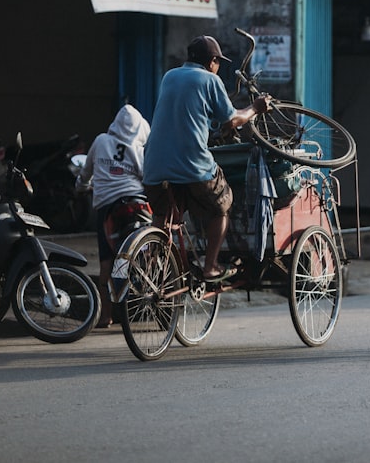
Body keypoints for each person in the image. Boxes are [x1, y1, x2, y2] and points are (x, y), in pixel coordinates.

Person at [142, 35, 271, 282]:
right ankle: (211, 266)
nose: (218, 67)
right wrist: (255, 108)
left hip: (153, 165)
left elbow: (187, 113)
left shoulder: (170, 76)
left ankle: (148, 264)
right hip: (191, 164)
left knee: (164, 213)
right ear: (212, 61)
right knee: (222, 204)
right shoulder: (210, 80)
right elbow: (232, 120)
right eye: (218, 62)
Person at [75, 104, 152, 328]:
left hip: (108, 211)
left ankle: (106, 315)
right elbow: (146, 177)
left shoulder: (100, 141)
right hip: (136, 206)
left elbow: (85, 174)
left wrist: (81, 187)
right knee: (146, 253)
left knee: (106, 264)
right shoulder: (138, 148)